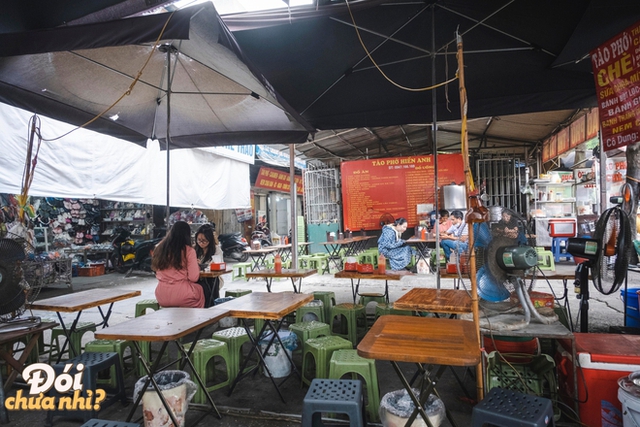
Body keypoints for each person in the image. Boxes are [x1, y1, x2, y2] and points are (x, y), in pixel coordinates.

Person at [152, 220, 205, 308]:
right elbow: (193, 277)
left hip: (161, 295)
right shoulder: (189, 251)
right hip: (183, 295)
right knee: (201, 289)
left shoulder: (159, 249)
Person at [194, 224, 223, 305]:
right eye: (199, 240)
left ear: (210, 240)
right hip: (197, 277)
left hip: (212, 278)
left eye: (204, 240)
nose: (201, 243)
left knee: (209, 285)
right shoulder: (194, 250)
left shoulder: (216, 249)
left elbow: (218, 263)